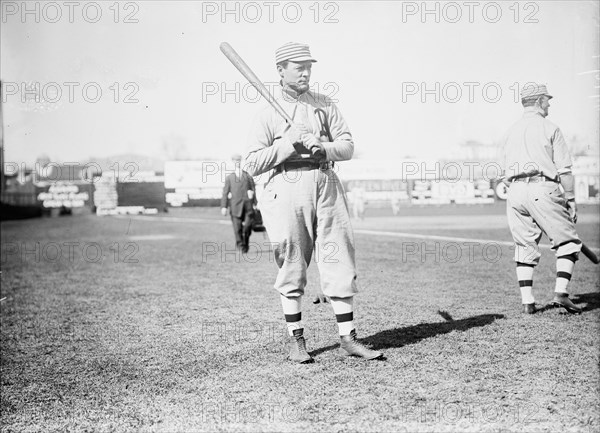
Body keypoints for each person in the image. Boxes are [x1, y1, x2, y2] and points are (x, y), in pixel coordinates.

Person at [244, 42, 383, 363]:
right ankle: (297, 341)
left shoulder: (324, 104)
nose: (306, 71)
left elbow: (347, 146)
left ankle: (349, 338)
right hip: (287, 185)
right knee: (292, 262)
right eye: (298, 66)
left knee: (340, 256)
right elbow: (251, 164)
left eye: (309, 66)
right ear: (281, 70)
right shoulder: (266, 113)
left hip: (326, 181)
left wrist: (324, 147)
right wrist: (287, 143)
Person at [500, 83, 582, 315]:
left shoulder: (509, 131)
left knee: (525, 246)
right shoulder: (550, 127)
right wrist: (571, 198)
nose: (549, 104)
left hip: (514, 192)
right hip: (542, 186)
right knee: (568, 243)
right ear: (538, 101)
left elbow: (502, 172)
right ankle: (561, 294)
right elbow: (564, 170)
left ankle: (528, 302)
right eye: (547, 99)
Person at [221, 154, 256, 254]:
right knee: (237, 229)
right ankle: (241, 247)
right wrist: (224, 206)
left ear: (241, 161)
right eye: (235, 161)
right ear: (233, 162)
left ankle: (246, 243)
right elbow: (225, 193)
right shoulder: (229, 178)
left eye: (239, 160)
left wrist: (255, 202)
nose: (237, 162)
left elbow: (253, 189)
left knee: (247, 227)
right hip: (235, 207)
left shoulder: (248, 176)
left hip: (248, 206)